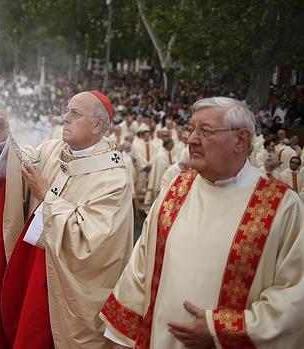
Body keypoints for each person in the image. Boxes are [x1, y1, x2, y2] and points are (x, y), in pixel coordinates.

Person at [99, 97, 304, 348]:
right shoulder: (175, 189)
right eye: (191, 129)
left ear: (240, 140)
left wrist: (221, 330)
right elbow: (140, 267)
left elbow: (294, 295)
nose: (192, 139)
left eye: (205, 131)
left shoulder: (281, 206)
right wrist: (123, 338)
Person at [0, 91, 134, 348]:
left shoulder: (113, 179)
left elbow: (92, 241)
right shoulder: (53, 149)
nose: (65, 118)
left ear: (98, 125)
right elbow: (20, 164)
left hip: (67, 286)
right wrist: (4, 139)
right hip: (33, 273)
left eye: (75, 113)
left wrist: (45, 195)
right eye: (66, 110)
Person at [145, 138, 175, 203]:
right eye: (172, 145)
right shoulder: (161, 155)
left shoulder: (165, 153)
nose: (173, 147)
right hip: (161, 178)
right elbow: (163, 168)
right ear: (168, 145)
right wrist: (172, 167)